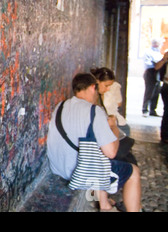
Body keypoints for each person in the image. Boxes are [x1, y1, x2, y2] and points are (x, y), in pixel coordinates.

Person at [47, 73, 142, 212]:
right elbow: (111, 152)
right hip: (77, 172)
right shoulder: (94, 111)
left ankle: (104, 202)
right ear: (93, 87)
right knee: (133, 171)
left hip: (58, 167)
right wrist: (113, 127)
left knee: (97, 157)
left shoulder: (60, 106)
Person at [142, 38, 164, 117]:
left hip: (157, 73)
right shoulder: (149, 52)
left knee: (156, 92)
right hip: (150, 72)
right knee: (149, 91)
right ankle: (145, 109)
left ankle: (152, 110)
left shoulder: (158, 52)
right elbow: (154, 64)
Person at [155, 51, 168, 144]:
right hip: (167, 86)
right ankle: (165, 136)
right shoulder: (166, 58)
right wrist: (164, 59)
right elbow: (157, 67)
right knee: (167, 111)